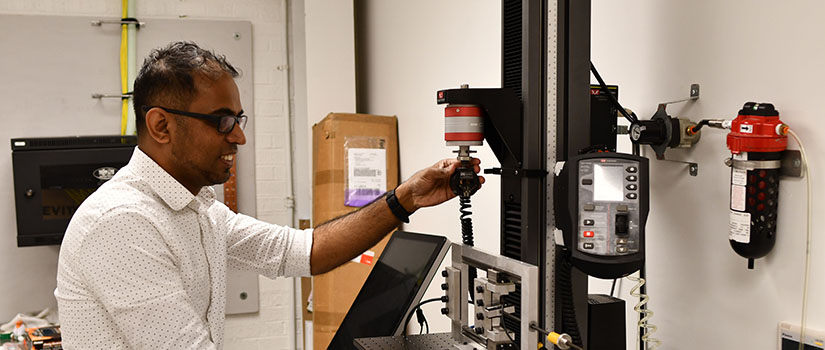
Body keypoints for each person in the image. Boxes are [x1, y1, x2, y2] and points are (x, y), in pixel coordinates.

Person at [54, 41, 482, 349]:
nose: (239, 136)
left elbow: (304, 250)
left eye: (238, 119)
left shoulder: (199, 209)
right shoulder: (122, 222)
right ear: (162, 126)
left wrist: (406, 198)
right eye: (222, 121)